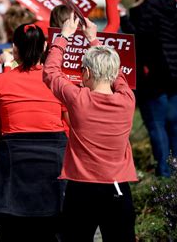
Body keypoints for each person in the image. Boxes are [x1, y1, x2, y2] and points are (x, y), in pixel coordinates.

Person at [43, 13, 137, 241]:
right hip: (117, 186)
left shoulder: (79, 99)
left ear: (85, 73)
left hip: (82, 188)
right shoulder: (127, 99)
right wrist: (94, 40)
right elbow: (118, 78)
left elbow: (50, 72)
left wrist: (64, 36)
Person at [0, 23, 68, 242]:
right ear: (45, 47)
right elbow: (72, 125)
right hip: (54, 164)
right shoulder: (58, 81)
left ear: (15, 49)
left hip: (14, 164)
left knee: (14, 230)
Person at [120, 0, 177, 177]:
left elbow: (136, 41)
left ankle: (164, 174)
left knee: (157, 127)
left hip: (152, 78)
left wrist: (123, 20)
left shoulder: (140, 10)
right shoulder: (173, 8)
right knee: (176, 127)